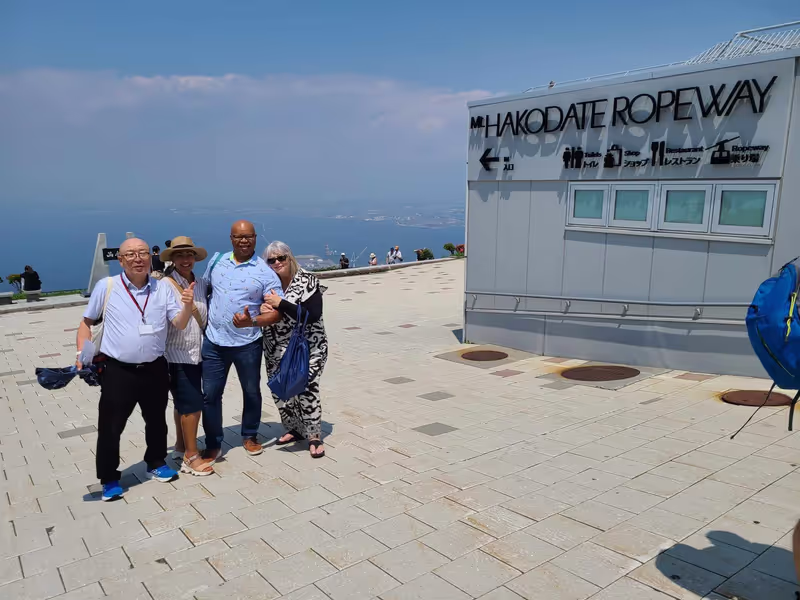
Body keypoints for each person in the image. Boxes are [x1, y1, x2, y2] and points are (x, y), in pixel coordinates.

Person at [75, 238, 196, 501]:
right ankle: (108, 478)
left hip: (154, 367)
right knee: (110, 426)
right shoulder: (107, 286)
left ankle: (156, 462)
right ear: (121, 260)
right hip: (118, 370)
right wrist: (80, 353)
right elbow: (86, 323)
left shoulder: (162, 287)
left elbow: (180, 323)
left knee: (156, 421)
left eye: (142, 253)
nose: (138, 258)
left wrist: (187, 305)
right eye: (130, 254)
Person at [201, 220, 283, 461]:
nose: (244, 240)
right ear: (231, 238)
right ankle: (214, 442)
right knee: (210, 394)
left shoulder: (265, 272)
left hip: (247, 343)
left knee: (251, 391)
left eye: (249, 236)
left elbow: (278, 312)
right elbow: (205, 290)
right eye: (239, 237)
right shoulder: (216, 261)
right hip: (214, 342)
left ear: (256, 238)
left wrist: (252, 322)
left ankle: (249, 434)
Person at [261, 241, 328, 458]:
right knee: (280, 390)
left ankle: (314, 435)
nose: (277, 262)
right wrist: (261, 309)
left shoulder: (307, 280)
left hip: (308, 347)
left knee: (306, 385)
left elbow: (313, 315)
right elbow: (256, 311)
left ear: (290, 258)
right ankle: (294, 428)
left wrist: (280, 303)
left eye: (281, 258)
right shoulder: (268, 283)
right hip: (276, 347)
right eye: (272, 260)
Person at [161, 236, 213, 476]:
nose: (185, 260)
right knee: (192, 404)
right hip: (177, 354)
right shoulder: (164, 285)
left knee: (183, 402)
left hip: (199, 353)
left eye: (189, 255)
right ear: (172, 259)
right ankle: (191, 457)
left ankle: (182, 446)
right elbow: (169, 321)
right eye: (180, 255)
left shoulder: (201, 283)